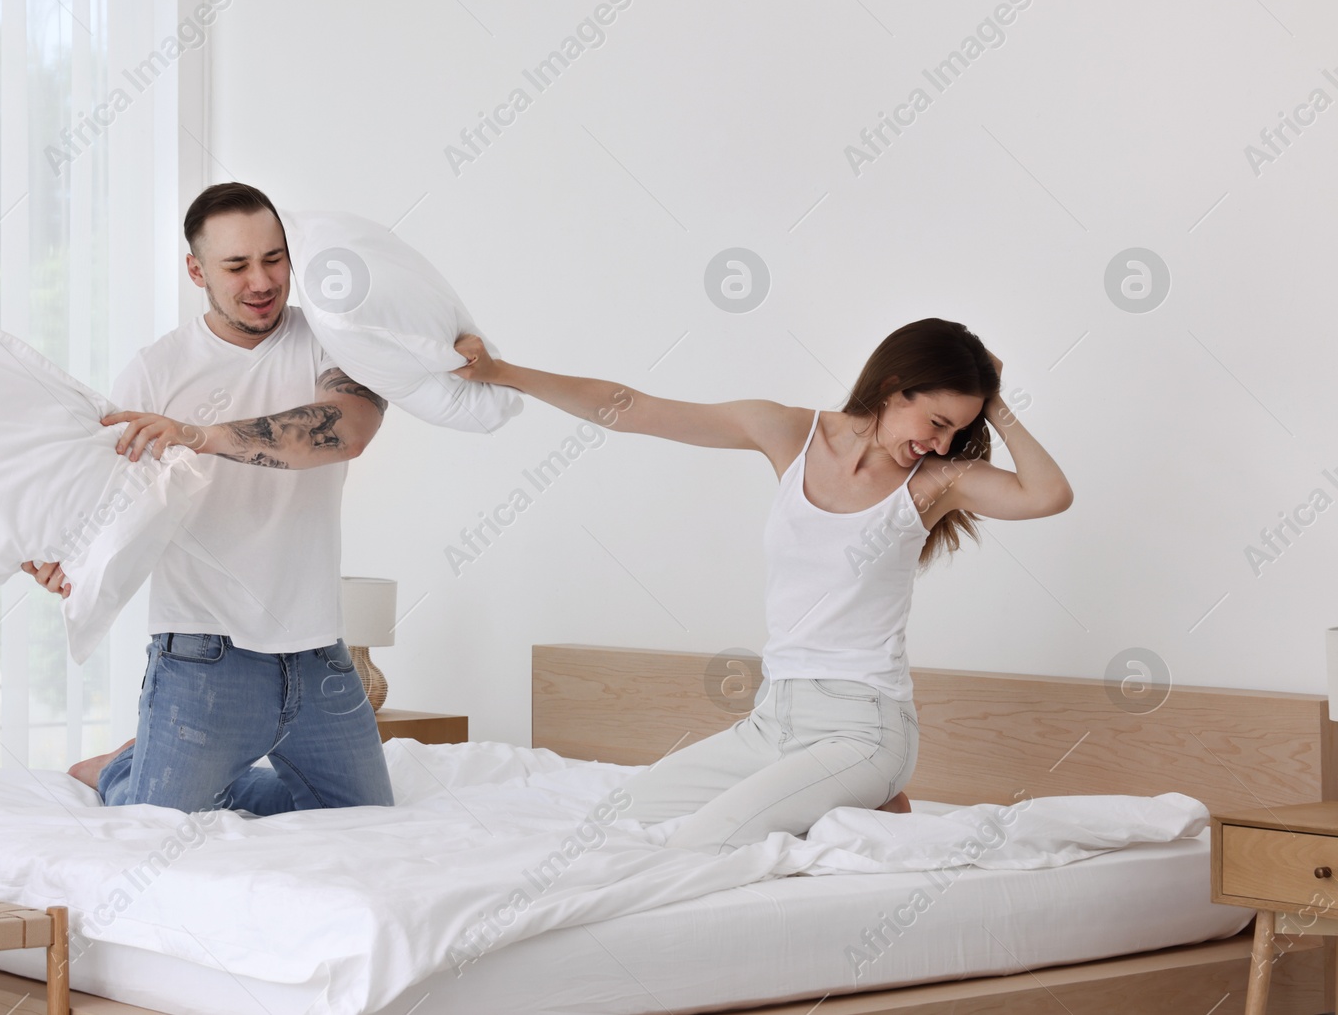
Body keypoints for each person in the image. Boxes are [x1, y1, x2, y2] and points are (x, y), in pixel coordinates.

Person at [450, 318, 1072, 853]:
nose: (938, 442)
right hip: (772, 721)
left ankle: (861, 795)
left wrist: (997, 405)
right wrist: (502, 372)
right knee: (610, 823)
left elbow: (1048, 494)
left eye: (954, 431)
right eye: (935, 420)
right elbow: (631, 407)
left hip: (866, 728)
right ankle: (858, 811)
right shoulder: (788, 434)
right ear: (892, 387)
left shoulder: (937, 481)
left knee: (706, 842)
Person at [25, 182, 395, 817]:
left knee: (366, 826)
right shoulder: (155, 372)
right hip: (203, 656)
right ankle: (120, 769)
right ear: (196, 270)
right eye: (236, 265)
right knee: (160, 829)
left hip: (320, 657)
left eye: (274, 259)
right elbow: (112, 498)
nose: (261, 280)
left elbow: (348, 430)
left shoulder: (333, 342)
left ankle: (161, 767)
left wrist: (203, 436)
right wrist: (68, 559)